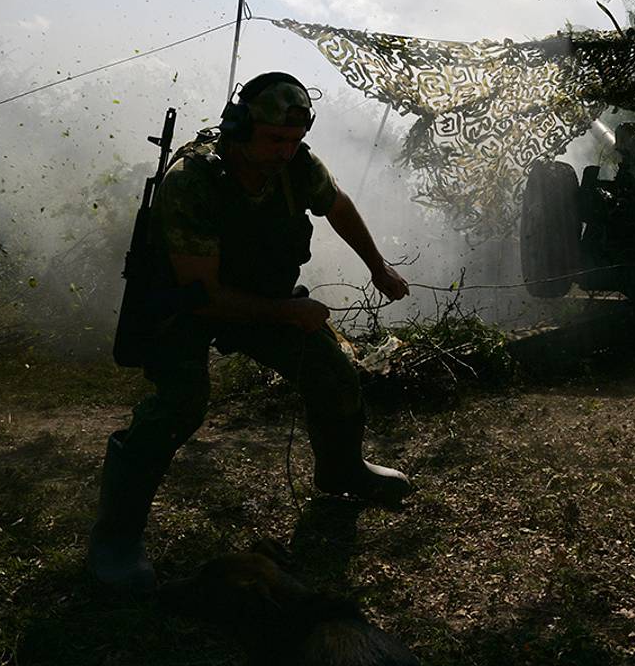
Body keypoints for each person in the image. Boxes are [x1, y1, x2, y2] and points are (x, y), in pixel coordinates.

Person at [88, 71, 412, 594]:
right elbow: (207, 296)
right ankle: (116, 539)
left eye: (294, 141)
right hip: (184, 308)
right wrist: (288, 313)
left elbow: (337, 204)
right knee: (179, 405)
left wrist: (377, 265)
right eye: (274, 140)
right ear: (239, 128)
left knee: (330, 370)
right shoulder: (193, 182)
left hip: (262, 297)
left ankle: (342, 473)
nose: (286, 152)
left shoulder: (295, 165)